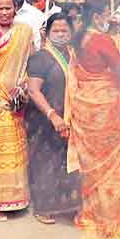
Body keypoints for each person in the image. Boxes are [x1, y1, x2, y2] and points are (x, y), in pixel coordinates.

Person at [69, 0, 120, 229]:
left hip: (84, 104)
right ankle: (110, 217)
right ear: (97, 16)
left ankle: (91, 212)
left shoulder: (78, 38)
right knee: (111, 165)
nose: (110, 19)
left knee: (92, 164)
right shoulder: (102, 39)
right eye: (107, 14)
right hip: (106, 106)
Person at [25, 12, 82, 224]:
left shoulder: (73, 54)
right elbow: (34, 91)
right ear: (47, 33)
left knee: (67, 161)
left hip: (71, 116)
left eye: (64, 30)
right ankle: (44, 207)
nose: (60, 34)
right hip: (45, 118)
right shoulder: (41, 58)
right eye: (55, 31)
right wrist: (52, 115)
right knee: (46, 161)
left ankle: (67, 205)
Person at [0, 0, 34, 221]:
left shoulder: (24, 31)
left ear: (16, 8)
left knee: (17, 147)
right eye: (0, 8)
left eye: (8, 8)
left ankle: (18, 198)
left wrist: (23, 87)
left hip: (18, 97)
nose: (4, 12)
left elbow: (30, 61)